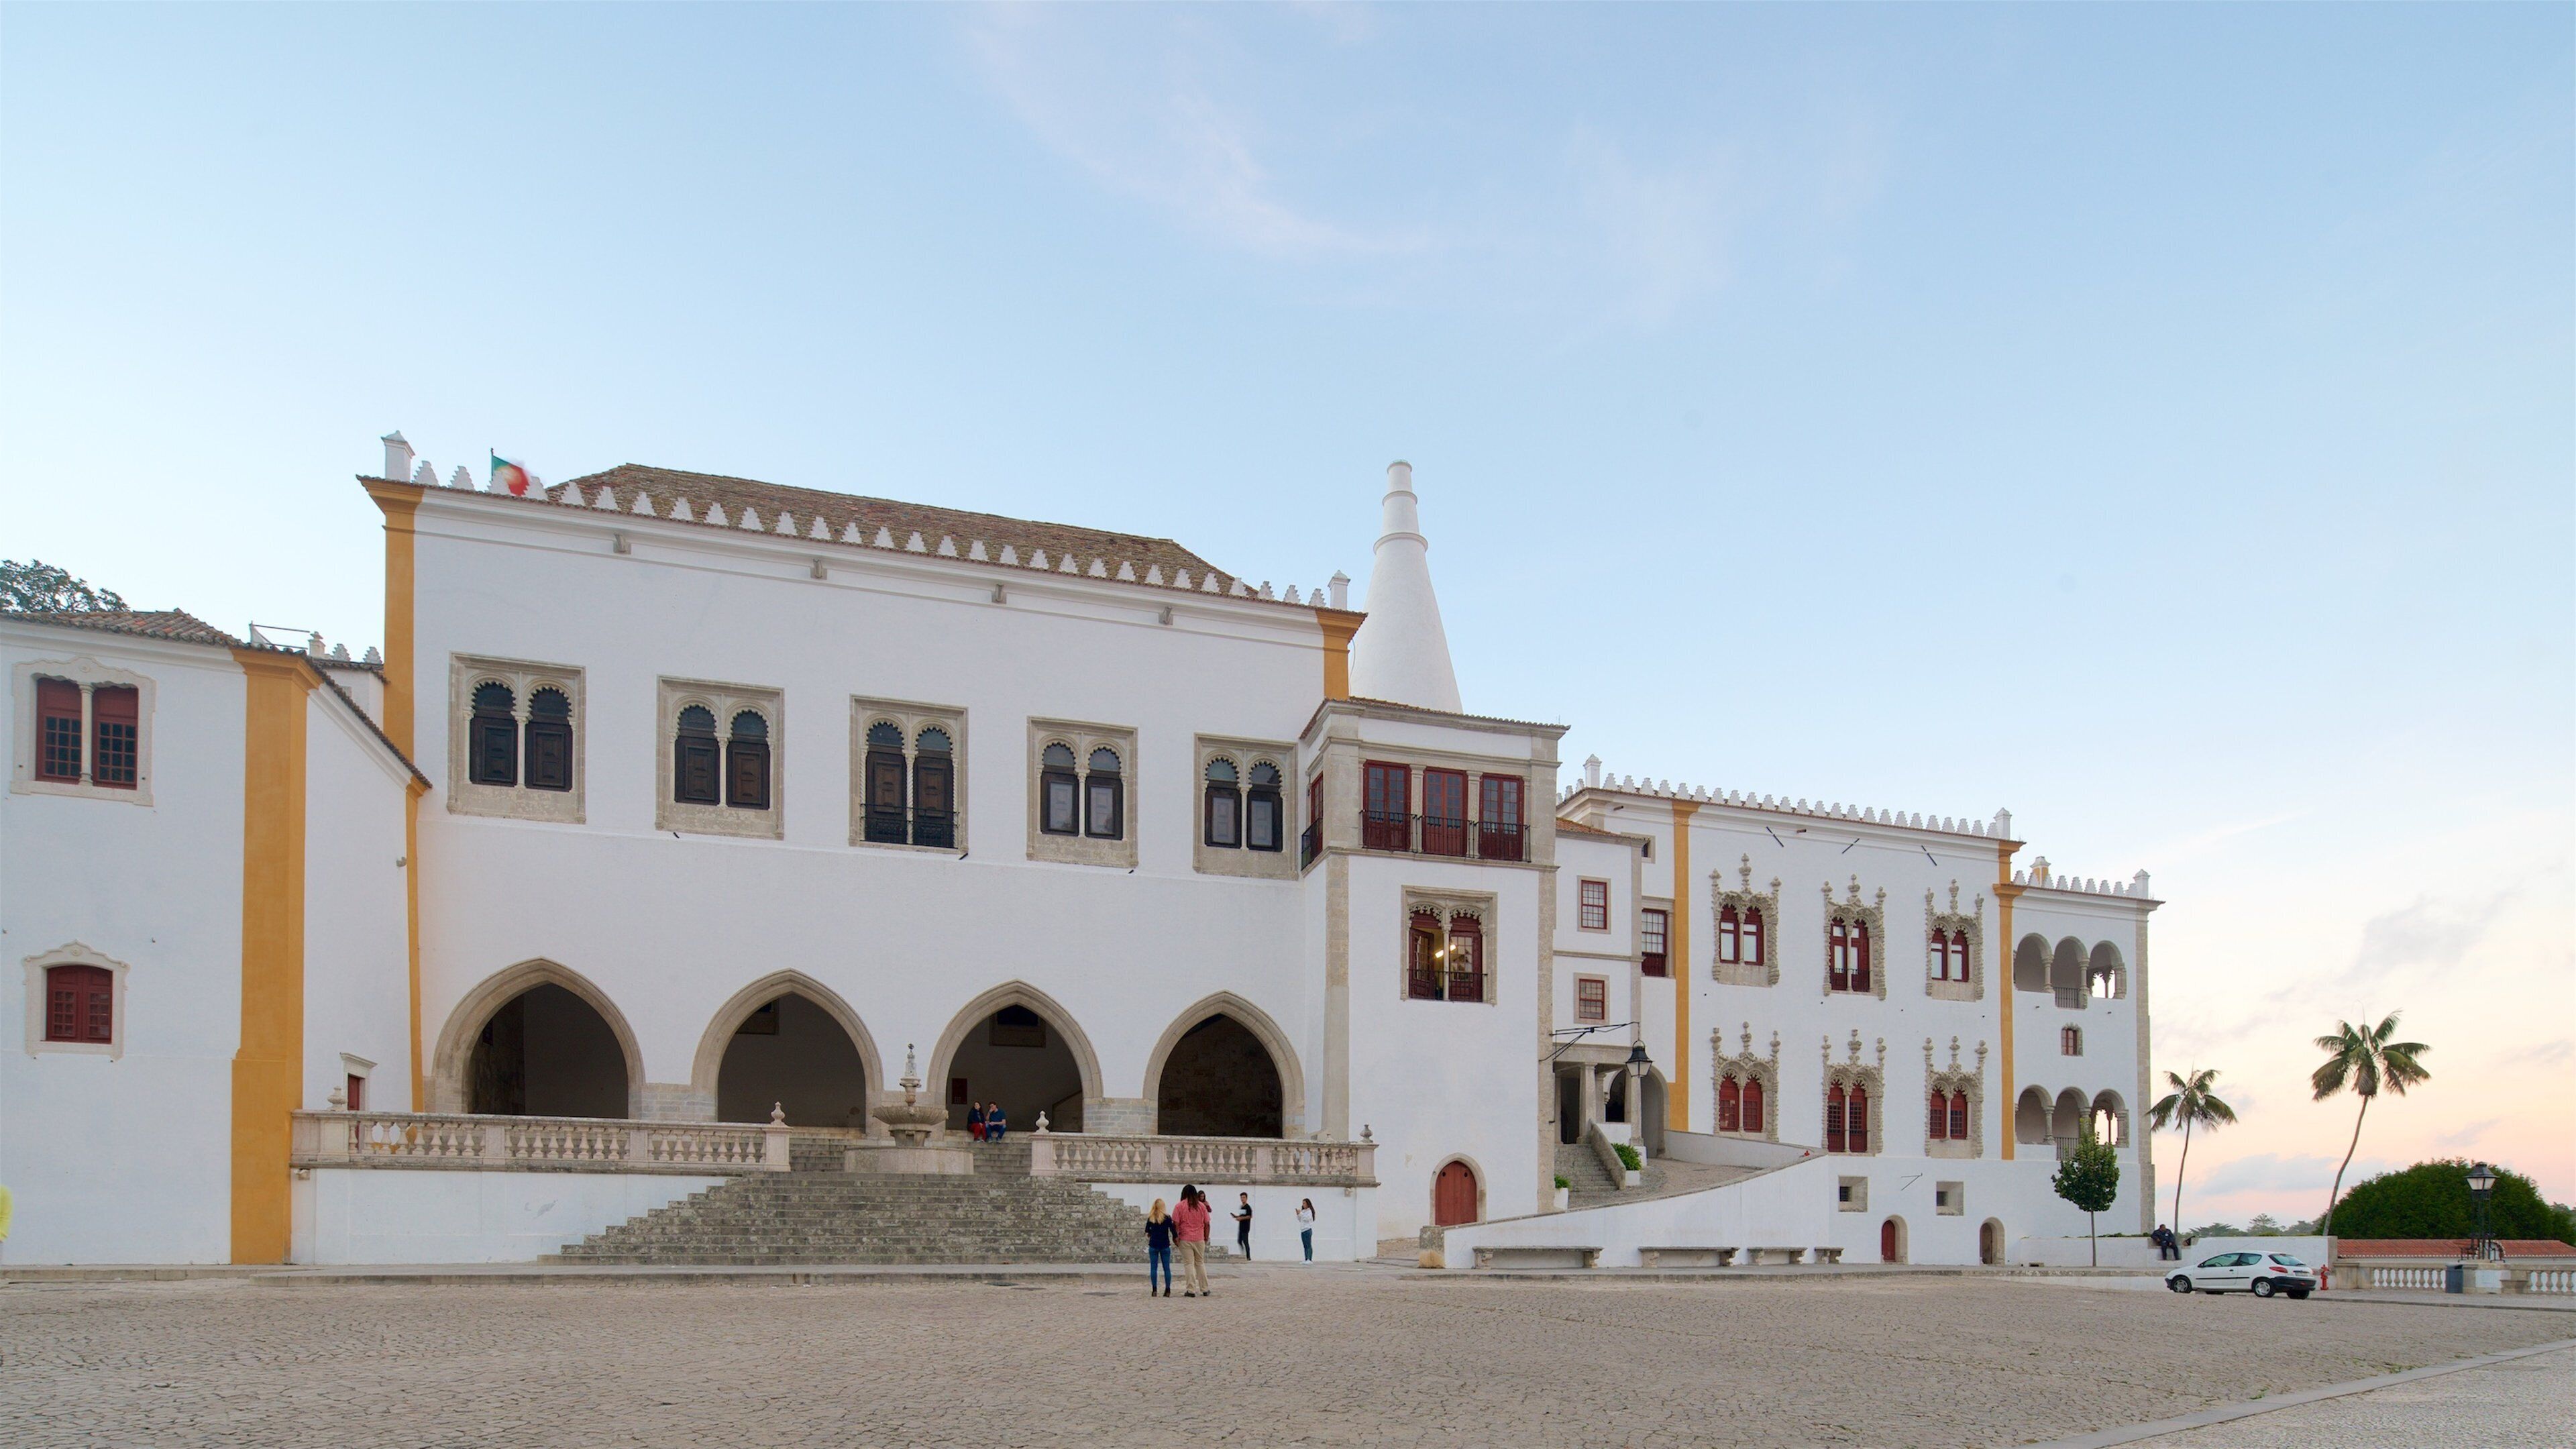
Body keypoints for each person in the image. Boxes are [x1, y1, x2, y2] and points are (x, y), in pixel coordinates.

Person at [1172, 1185, 1212, 1297]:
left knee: (1189, 1264)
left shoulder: (1179, 1206)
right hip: (1199, 1238)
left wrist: (1176, 1237)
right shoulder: (1202, 1206)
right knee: (1200, 1263)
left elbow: (1176, 1224)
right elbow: (1207, 1224)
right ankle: (1205, 1288)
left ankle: (1191, 1289)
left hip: (1185, 1239)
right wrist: (1206, 1237)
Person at [1144, 1198, 1175, 1297]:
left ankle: (1154, 1289)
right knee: (1167, 1268)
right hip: (1165, 1245)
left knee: (1154, 1268)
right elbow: (1173, 1231)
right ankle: (1168, 1289)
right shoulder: (1167, 1218)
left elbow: (1147, 1230)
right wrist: (1176, 1238)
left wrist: (1151, 1233)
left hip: (1153, 1244)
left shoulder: (1151, 1218)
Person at [1232, 1192, 1254, 1261]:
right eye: (1241, 1197)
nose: (1242, 1199)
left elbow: (1249, 1216)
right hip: (1241, 1227)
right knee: (1239, 1241)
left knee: (1245, 1241)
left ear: (1246, 1198)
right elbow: (1242, 1215)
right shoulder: (1241, 1207)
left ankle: (1248, 1256)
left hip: (1245, 1227)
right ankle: (1243, 1253)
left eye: (1244, 1197)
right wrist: (1236, 1216)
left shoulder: (1248, 1207)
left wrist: (1241, 1219)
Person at [1297, 1197, 1316, 1262]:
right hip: (1303, 1230)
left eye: (1304, 1203)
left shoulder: (1309, 1211)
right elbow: (1301, 1220)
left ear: (1308, 1204)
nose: (1303, 1205)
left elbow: (1307, 1219)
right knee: (1305, 1246)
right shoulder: (1303, 1211)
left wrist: (1301, 1214)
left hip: (1307, 1230)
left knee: (1308, 1245)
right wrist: (1298, 1214)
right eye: (1303, 1203)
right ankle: (1306, 1259)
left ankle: (1309, 1259)